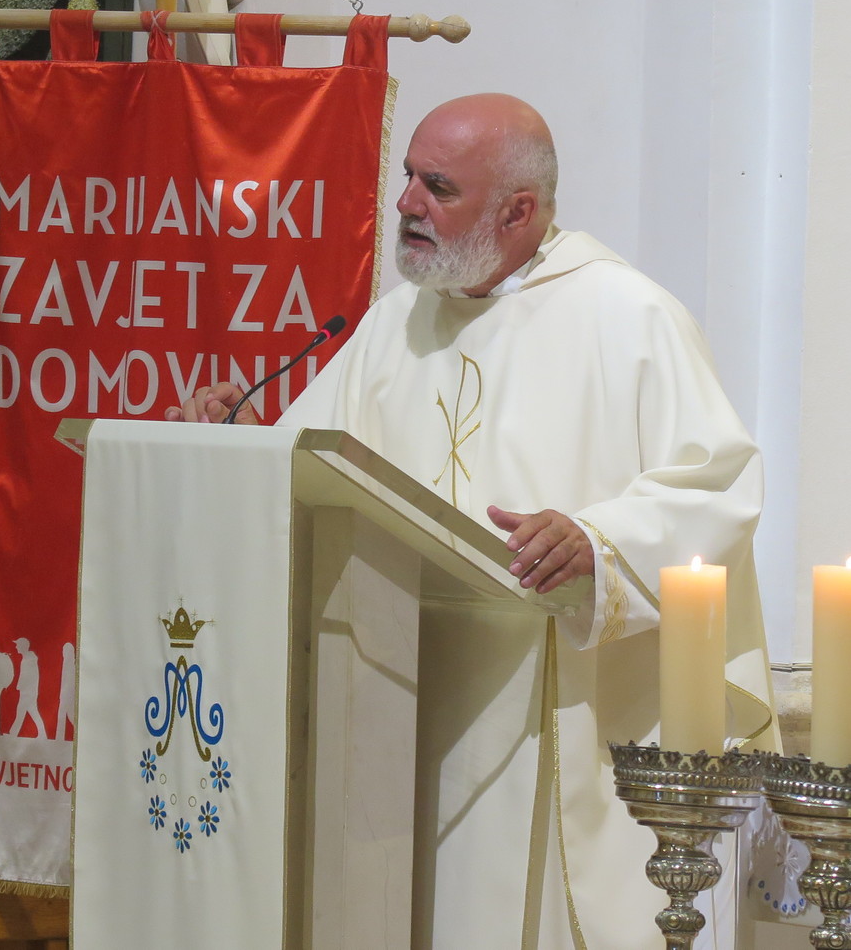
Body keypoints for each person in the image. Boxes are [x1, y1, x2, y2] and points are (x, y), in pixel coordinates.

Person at [167, 94, 776, 949]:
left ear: (519, 212)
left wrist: (599, 544)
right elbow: (309, 476)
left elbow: (718, 485)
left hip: (555, 727)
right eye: (408, 176)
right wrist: (236, 445)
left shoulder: (630, 318)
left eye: (438, 186)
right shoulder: (394, 325)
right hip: (392, 714)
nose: (406, 203)